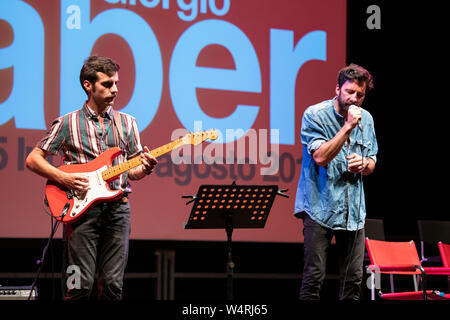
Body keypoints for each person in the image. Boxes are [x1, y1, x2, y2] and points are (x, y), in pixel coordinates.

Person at [25, 55, 157, 300]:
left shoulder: (127, 123)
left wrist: (145, 168)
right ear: (88, 85)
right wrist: (62, 178)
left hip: (118, 211)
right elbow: (33, 159)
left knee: (112, 287)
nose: (115, 90)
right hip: (81, 213)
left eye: (116, 83)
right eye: (107, 84)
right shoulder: (67, 123)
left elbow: (132, 172)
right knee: (79, 287)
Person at [294, 64, 378, 300]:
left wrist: (364, 163)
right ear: (337, 89)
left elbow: (372, 162)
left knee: (353, 280)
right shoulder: (314, 115)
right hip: (320, 206)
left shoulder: (367, 119)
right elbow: (320, 156)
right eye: (349, 92)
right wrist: (348, 126)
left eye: (360, 95)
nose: (354, 99)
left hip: (353, 212)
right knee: (314, 278)